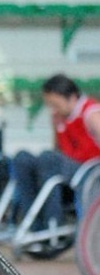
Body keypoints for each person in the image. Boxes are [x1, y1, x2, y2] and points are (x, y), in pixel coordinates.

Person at [11, 74, 100, 232]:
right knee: (21, 158)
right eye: (49, 105)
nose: (52, 109)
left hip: (89, 172)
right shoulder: (58, 117)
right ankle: (32, 224)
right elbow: (57, 150)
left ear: (71, 98)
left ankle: (53, 223)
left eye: (55, 104)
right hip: (66, 168)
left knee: (48, 157)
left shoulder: (91, 114)